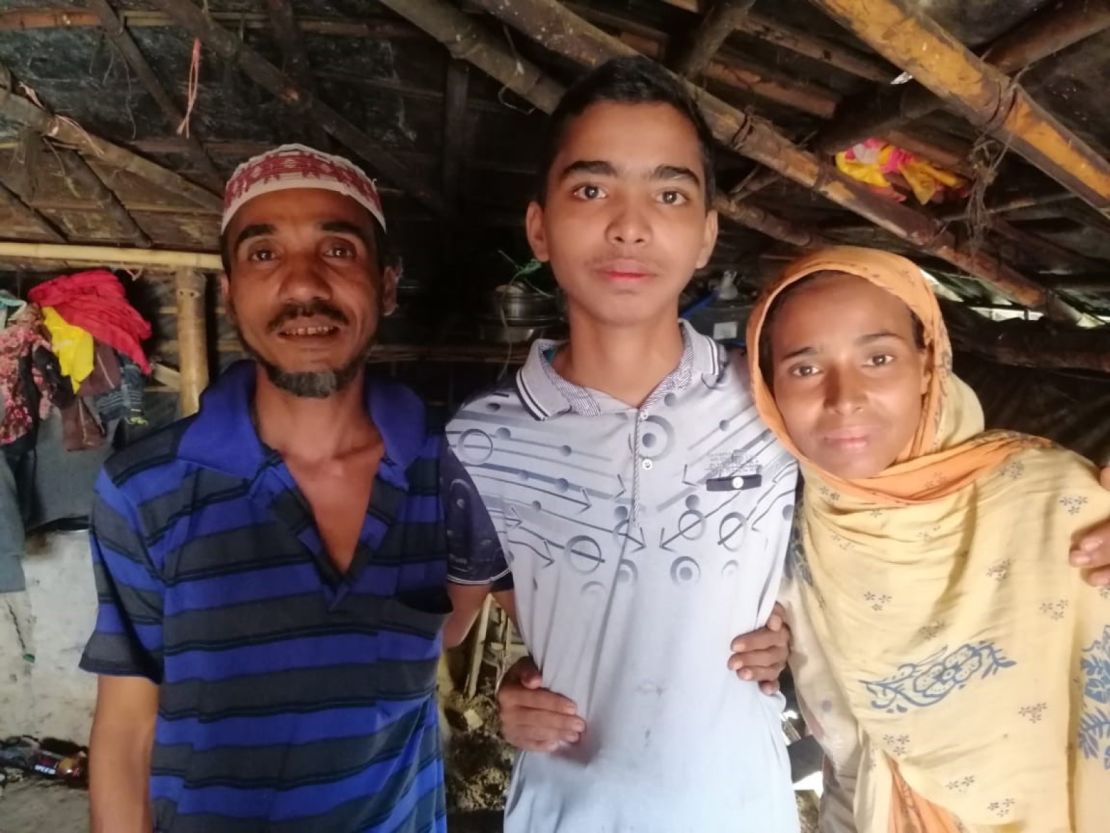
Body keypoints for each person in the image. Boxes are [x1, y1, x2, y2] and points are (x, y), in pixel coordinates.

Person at [79, 145, 508, 833]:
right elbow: (128, 727)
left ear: (388, 286)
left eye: (337, 251)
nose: (303, 285)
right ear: (229, 293)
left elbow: (521, 623)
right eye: (263, 255)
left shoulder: (457, 466)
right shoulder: (145, 488)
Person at [445, 57, 800, 832]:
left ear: (707, 233)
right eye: (592, 189)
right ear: (539, 226)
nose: (630, 224)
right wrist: (518, 685)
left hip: (745, 813)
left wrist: (794, 637)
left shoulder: (778, 403)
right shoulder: (477, 445)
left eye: (669, 193)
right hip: (567, 809)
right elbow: (475, 625)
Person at [746, 245, 1110, 832]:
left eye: (879, 358)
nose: (844, 398)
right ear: (770, 391)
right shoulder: (777, 534)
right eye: (805, 368)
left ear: (926, 364)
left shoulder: (1057, 499)